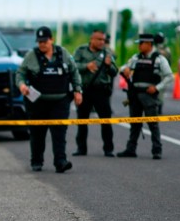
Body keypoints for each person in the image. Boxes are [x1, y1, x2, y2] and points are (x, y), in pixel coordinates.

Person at [16, 26, 83, 173]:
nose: (42, 44)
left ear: (51, 40)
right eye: (39, 41)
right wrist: (21, 85)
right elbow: (20, 74)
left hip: (60, 101)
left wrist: (78, 90)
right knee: (37, 133)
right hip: (38, 102)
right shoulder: (31, 56)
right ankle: (36, 161)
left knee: (59, 133)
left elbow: (74, 72)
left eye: (45, 41)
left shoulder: (63, 53)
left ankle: (60, 162)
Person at [117, 33, 173, 160]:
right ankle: (131, 149)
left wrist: (157, 88)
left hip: (149, 95)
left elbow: (169, 76)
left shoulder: (159, 59)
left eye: (141, 43)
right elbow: (125, 67)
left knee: (152, 123)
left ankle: (157, 150)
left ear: (148, 44)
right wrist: (125, 69)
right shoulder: (136, 57)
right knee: (134, 123)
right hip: (135, 95)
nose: (139, 46)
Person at [72, 30, 118, 157]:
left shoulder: (107, 53)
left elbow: (115, 72)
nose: (102, 42)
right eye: (99, 39)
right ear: (92, 39)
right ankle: (81, 148)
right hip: (85, 89)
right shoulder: (81, 51)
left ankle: (108, 149)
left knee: (106, 120)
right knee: (82, 120)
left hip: (101, 91)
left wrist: (109, 66)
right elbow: (73, 66)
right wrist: (86, 66)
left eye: (103, 40)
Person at [153, 32, 172, 114]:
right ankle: (160, 108)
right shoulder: (167, 49)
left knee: (154, 89)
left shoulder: (153, 49)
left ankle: (155, 107)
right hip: (164, 73)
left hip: (154, 72)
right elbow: (170, 61)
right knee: (161, 90)